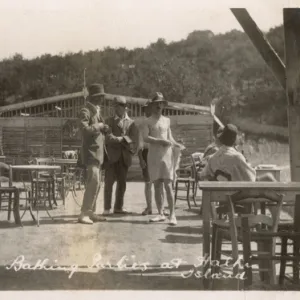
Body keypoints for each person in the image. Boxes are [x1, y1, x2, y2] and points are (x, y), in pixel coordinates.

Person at [143, 92, 184, 226]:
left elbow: (169, 137)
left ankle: (172, 215)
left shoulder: (167, 120)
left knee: (168, 185)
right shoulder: (147, 121)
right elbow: (145, 138)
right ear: (152, 106)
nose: (159, 106)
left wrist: (176, 144)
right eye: (156, 104)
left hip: (166, 155)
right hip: (154, 156)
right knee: (156, 185)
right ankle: (160, 213)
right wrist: (160, 141)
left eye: (161, 104)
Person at [199, 124, 276, 182]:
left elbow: (203, 175)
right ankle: (281, 200)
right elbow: (251, 178)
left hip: (223, 195)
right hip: (239, 195)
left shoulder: (213, 158)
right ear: (234, 139)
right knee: (268, 177)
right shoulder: (237, 157)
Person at [78, 83, 109, 224]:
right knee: (93, 182)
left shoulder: (97, 111)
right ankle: (84, 213)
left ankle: (91, 212)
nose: (102, 99)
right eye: (99, 97)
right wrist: (99, 126)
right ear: (93, 97)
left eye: (102, 97)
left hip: (99, 154)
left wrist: (104, 128)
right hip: (91, 153)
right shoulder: (86, 110)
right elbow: (84, 130)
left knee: (97, 184)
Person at [103, 96, 139, 215]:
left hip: (124, 157)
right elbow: (108, 138)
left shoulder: (131, 123)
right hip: (111, 158)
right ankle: (107, 208)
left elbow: (134, 139)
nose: (117, 108)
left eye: (120, 106)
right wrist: (123, 139)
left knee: (122, 184)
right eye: (116, 106)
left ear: (125, 108)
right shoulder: (108, 121)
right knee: (108, 183)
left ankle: (118, 207)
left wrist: (121, 140)